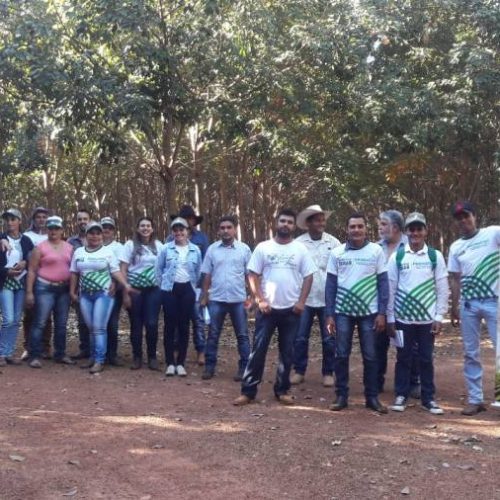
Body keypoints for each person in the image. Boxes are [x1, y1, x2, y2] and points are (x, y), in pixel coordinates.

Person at [233, 209, 316, 406]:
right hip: (267, 310)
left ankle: (282, 390)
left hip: (291, 310)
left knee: (287, 352)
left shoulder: (300, 249)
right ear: (276, 223)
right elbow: (252, 274)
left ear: (294, 226)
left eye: (289, 222)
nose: (285, 224)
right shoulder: (264, 247)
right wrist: (260, 299)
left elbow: (309, 276)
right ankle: (248, 391)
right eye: (282, 221)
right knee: (258, 350)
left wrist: (301, 302)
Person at [325, 213, 389, 414]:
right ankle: (341, 396)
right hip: (343, 312)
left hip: (369, 313)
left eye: (360, 226)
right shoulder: (336, 254)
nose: (356, 230)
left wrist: (382, 312)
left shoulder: (376, 251)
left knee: (370, 356)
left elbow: (383, 283)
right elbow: (330, 286)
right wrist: (329, 314)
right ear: (347, 229)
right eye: (352, 226)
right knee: (341, 354)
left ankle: (372, 398)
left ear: (366, 228)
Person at [387, 213, 449, 414]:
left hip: (426, 321)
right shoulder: (397, 256)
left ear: (425, 231)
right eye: (411, 229)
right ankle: (401, 395)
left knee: (425, 358)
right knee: (403, 357)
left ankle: (428, 398)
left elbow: (442, 287)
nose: (415, 233)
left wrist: (439, 317)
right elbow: (391, 288)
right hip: (403, 320)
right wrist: (390, 318)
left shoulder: (434, 256)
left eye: (419, 229)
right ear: (406, 232)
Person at [448, 201, 499, 416]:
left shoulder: (493, 234)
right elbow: (455, 279)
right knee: (470, 353)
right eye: (459, 218)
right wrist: (454, 306)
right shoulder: (456, 247)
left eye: (466, 216)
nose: (463, 220)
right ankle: (475, 399)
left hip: (494, 301)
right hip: (469, 305)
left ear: (474, 216)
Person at [70, 221, 132, 374]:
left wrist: (124, 284)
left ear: (101, 235)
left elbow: (115, 271)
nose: (95, 236)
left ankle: (99, 360)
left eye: (98, 233)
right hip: (85, 294)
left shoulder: (107, 252)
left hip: (103, 294)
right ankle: (92, 357)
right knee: (91, 328)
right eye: (92, 233)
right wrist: (72, 291)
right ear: (86, 234)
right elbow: (74, 272)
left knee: (99, 327)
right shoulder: (79, 252)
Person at [290, 205, 340, 387]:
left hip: (327, 299)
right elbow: (295, 270)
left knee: (329, 338)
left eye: (323, 220)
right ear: (309, 223)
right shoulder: (298, 244)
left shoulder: (333, 243)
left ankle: (328, 372)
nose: (321, 223)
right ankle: (299, 371)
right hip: (306, 298)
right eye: (317, 220)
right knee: (301, 337)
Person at [200, 215, 252, 381]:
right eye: (222, 228)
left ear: (235, 229)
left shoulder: (244, 249)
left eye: (229, 227)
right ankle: (209, 367)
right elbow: (207, 274)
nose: (225, 230)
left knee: (242, 335)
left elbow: (249, 275)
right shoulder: (212, 250)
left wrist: (253, 296)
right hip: (217, 299)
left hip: (238, 299)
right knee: (213, 334)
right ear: (218, 230)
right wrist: (204, 296)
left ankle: (244, 368)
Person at [376, 209, 419, 395]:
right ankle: (376, 381)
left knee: (407, 346)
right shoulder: (376, 248)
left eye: (383, 224)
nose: (380, 227)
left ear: (395, 227)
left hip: (403, 307)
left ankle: (412, 383)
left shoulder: (411, 247)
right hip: (379, 306)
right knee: (377, 346)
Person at [25, 216, 75, 368]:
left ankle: (60, 353)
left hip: (64, 290)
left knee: (61, 323)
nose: (53, 231)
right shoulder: (39, 247)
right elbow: (32, 271)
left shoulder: (69, 247)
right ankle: (34, 355)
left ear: (61, 230)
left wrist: (73, 291)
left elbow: (74, 271)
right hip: (44, 288)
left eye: (56, 228)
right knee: (40, 322)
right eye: (50, 228)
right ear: (47, 230)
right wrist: (29, 292)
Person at [156, 217, 202, 377]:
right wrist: (163, 288)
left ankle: (181, 362)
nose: (179, 232)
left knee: (184, 326)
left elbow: (198, 271)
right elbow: (158, 270)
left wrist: (194, 288)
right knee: (169, 325)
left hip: (187, 289)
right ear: (172, 232)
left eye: (181, 229)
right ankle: (170, 362)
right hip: (169, 290)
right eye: (175, 230)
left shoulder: (195, 250)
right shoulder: (165, 249)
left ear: (187, 231)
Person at [120, 217, 163, 370]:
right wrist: (125, 293)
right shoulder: (130, 245)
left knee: (152, 323)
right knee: (136, 324)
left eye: (148, 226)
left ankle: (152, 357)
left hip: (154, 290)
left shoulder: (159, 246)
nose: (145, 228)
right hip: (135, 290)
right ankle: (137, 357)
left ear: (152, 229)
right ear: (138, 229)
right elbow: (123, 269)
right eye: (142, 225)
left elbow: (164, 268)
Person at [169, 205, 209, 365]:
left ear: (193, 221)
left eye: (189, 219)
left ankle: (201, 351)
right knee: (177, 318)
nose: (187, 222)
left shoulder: (202, 239)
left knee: (197, 319)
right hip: (176, 285)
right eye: (184, 218)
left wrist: (206, 290)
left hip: (196, 286)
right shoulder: (170, 238)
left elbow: (207, 264)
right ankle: (177, 349)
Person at [0, 209, 34, 366]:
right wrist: (7, 271)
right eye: (7, 219)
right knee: (8, 319)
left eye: (13, 219)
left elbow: (32, 260)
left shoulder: (26, 240)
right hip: (6, 283)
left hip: (21, 284)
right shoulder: (1, 239)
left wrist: (25, 262)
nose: (9, 222)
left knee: (15, 320)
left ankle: (8, 353)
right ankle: (1, 353)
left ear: (20, 221)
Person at [22, 206, 52, 361]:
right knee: (30, 314)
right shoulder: (26, 236)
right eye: (38, 217)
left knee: (46, 316)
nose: (41, 219)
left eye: (44, 217)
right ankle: (28, 347)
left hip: (47, 279)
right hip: (30, 279)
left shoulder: (52, 235)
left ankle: (45, 347)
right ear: (33, 219)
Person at [68, 208, 92, 360]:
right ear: (76, 222)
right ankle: (85, 349)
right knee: (82, 320)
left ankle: (101, 351)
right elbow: (69, 266)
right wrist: (71, 290)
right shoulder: (71, 242)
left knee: (97, 321)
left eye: (85, 219)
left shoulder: (98, 238)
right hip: (79, 287)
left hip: (98, 287)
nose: (82, 222)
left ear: (90, 220)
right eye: (80, 219)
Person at [101, 217, 124, 366]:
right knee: (98, 324)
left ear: (114, 230)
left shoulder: (119, 247)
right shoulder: (93, 245)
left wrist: (116, 284)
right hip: (96, 289)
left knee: (113, 323)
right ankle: (99, 353)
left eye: (109, 227)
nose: (106, 230)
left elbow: (121, 267)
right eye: (104, 227)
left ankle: (112, 354)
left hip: (114, 290)